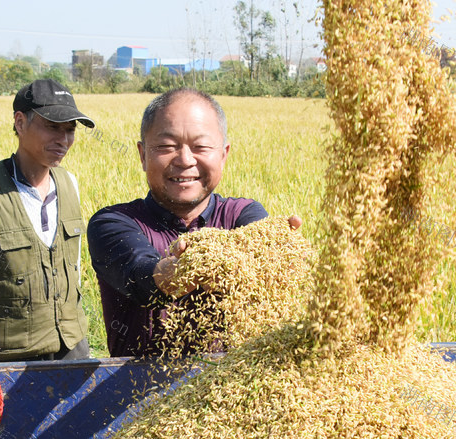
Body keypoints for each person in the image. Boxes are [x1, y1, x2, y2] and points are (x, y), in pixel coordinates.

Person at [87, 87, 299, 357]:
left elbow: (259, 250)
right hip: (138, 393)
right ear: (142, 155)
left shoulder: (243, 215)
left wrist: (283, 251)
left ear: (223, 155)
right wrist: (174, 273)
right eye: (166, 146)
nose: (185, 160)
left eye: (201, 147)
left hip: (229, 390)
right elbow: (140, 274)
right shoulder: (114, 223)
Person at [0, 79, 95, 362]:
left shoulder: (69, 185)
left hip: (72, 350)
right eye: (52, 127)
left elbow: (72, 267)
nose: (63, 140)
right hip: (9, 360)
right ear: (20, 123)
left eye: (70, 130)